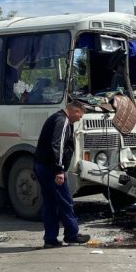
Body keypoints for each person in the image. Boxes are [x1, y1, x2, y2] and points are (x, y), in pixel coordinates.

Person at [33, 101, 91, 247]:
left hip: (43, 165)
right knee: (65, 201)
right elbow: (57, 145)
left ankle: (50, 239)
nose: (79, 119)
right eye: (80, 115)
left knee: (51, 203)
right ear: (74, 111)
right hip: (51, 169)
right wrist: (59, 170)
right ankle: (72, 235)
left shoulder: (57, 118)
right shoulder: (62, 121)